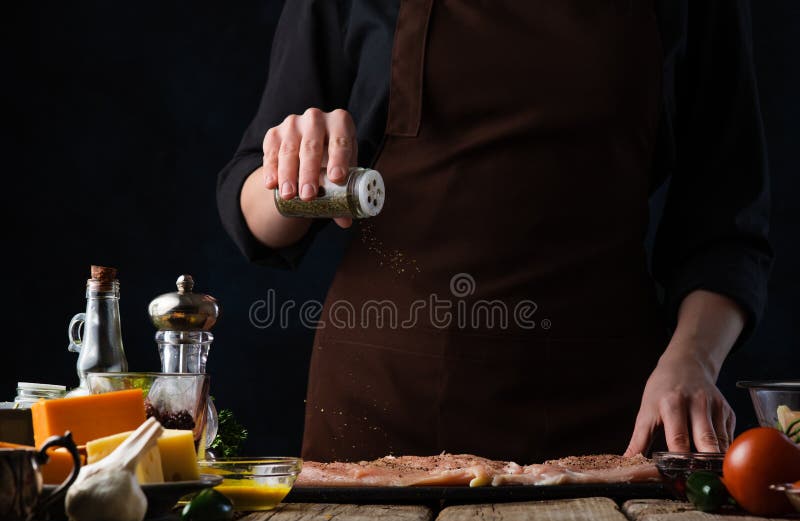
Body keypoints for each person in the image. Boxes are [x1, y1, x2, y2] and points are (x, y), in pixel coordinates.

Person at [218, 0, 772, 463]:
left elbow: (725, 226)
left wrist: (692, 361)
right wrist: (292, 167)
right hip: (380, 412)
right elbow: (253, 209)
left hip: (610, 420)